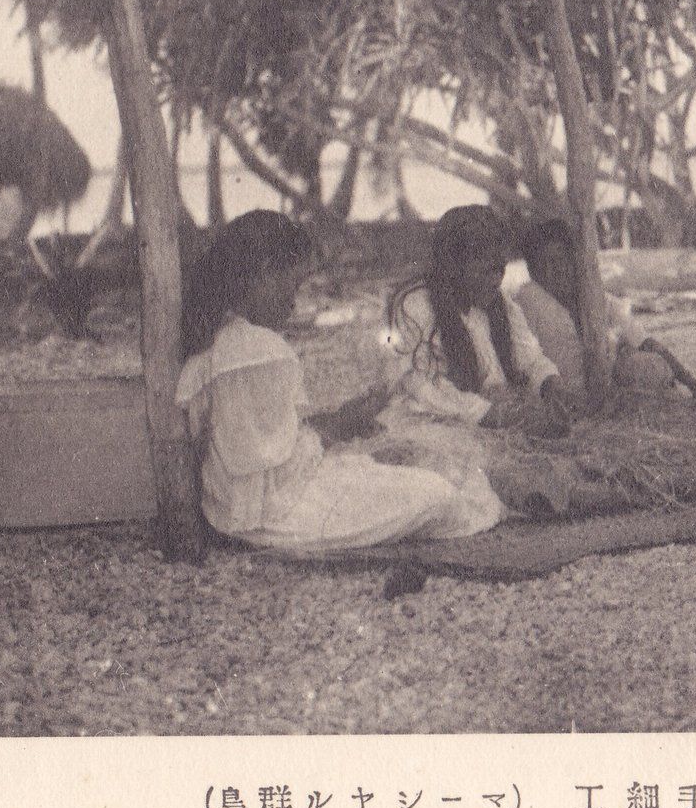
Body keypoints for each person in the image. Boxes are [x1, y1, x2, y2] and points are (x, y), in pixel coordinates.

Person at [173, 210, 503, 552]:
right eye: (292, 286)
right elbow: (274, 470)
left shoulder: (223, 342)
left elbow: (266, 442)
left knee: (413, 480)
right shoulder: (256, 348)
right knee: (437, 493)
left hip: (237, 510)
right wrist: (343, 427)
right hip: (273, 513)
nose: (293, 302)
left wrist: (339, 424)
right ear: (264, 275)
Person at [375, 204, 574, 438]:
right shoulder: (415, 307)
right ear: (453, 267)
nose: (496, 280)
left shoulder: (499, 304)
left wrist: (551, 384)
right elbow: (420, 387)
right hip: (427, 423)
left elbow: (530, 357)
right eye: (485, 271)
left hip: (485, 420)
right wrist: (491, 414)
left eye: (500, 270)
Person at [516, 217, 676, 393]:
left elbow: (643, 339)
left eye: (558, 261)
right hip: (562, 395)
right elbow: (526, 364)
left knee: (652, 364)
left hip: (608, 388)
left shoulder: (591, 296)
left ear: (573, 261)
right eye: (541, 265)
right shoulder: (529, 298)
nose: (551, 271)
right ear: (531, 272)